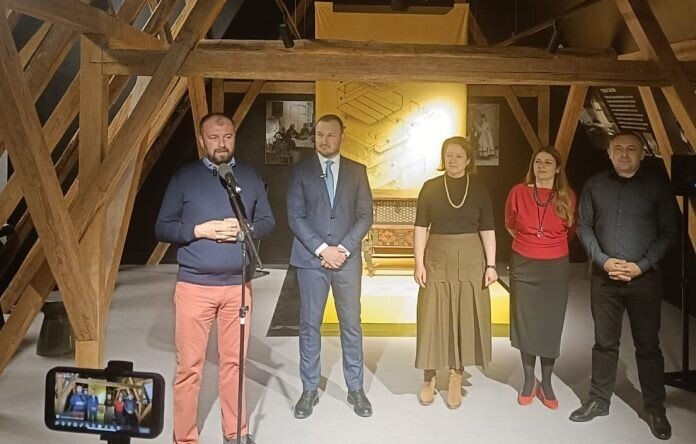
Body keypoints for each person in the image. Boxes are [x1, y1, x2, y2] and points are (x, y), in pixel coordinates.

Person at [155, 113, 275, 444]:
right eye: (213, 137)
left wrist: (245, 229)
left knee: (235, 364)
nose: (221, 143)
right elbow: (162, 227)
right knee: (189, 367)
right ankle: (184, 439)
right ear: (201, 140)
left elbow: (268, 220)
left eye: (227, 137)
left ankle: (235, 433)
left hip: (238, 287)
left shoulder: (248, 176)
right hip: (194, 287)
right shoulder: (184, 178)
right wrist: (199, 230)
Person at [570, 132, 678, 440]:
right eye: (618, 148)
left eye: (631, 149)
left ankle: (655, 408)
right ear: (609, 152)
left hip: (644, 280)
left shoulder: (657, 187)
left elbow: (669, 231)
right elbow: (583, 226)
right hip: (604, 280)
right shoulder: (594, 185)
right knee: (604, 343)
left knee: (648, 346)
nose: (624, 154)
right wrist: (603, 260)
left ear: (642, 153)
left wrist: (641, 265)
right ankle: (598, 400)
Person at [287, 114, 374, 419]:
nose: (323, 140)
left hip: (347, 262)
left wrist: (343, 249)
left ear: (342, 137)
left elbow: (365, 215)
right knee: (309, 324)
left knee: (351, 325)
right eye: (319, 135)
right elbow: (295, 216)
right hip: (311, 261)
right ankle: (309, 389)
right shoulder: (301, 171)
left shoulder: (357, 171)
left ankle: (356, 388)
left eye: (330, 135)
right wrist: (323, 249)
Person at [413, 136, 497, 409]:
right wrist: (418, 262)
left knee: (463, 316)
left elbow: (488, 229)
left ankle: (455, 374)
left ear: (468, 160)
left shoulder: (479, 189)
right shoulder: (430, 187)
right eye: (449, 155)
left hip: (470, 258)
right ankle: (429, 374)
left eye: (459, 156)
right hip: (437, 256)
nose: (453, 160)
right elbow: (420, 227)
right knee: (432, 314)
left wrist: (491, 265)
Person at [504, 146, 576, 410]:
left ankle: (546, 382)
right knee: (526, 321)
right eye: (538, 162)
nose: (542, 166)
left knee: (549, 323)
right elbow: (510, 224)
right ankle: (528, 380)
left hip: (555, 266)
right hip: (524, 263)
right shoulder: (518, 192)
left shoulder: (566, 196)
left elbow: (570, 230)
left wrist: (547, 246)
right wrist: (531, 244)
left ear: (557, 169)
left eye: (548, 163)